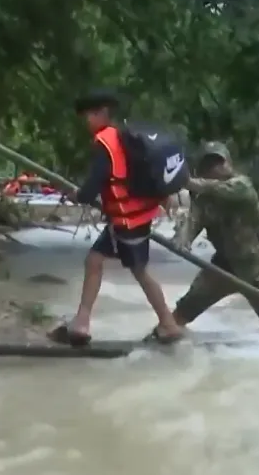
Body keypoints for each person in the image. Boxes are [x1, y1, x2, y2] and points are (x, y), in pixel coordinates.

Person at [50, 90, 183, 346]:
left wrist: (75, 194)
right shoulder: (124, 136)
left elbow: (90, 191)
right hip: (135, 218)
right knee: (96, 261)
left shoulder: (105, 144)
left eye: (88, 115)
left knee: (138, 271)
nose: (85, 121)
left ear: (101, 113)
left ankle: (167, 323)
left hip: (127, 221)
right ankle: (82, 322)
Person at [166, 142, 259, 333]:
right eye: (210, 164)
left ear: (229, 163)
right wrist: (182, 240)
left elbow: (218, 188)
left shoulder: (242, 186)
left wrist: (188, 181)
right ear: (203, 170)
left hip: (257, 267)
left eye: (220, 162)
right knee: (183, 310)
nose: (217, 167)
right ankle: (163, 338)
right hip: (223, 267)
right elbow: (191, 224)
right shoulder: (203, 202)